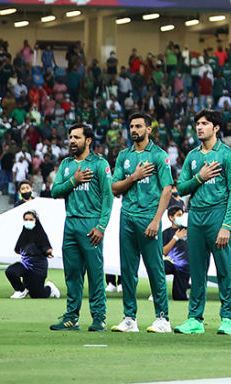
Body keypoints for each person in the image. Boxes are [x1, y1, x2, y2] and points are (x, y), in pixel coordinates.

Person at [174, 109, 231, 335]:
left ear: (216, 127)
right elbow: (181, 187)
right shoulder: (192, 157)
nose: (199, 127)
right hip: (196, 217)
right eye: (197, 124)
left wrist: (227, 225)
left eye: (204, 123)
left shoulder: (227, 155)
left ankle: (229, 318)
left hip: (217, 215)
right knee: (198, 271)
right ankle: (195, 319)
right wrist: (199, 177)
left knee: (224, 269)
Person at [110, 112, 174, 333]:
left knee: (155, 269)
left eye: (138, 126)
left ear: (149, 129)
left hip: (149, 218)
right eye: (131, 126)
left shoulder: (159, 155)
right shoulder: (123, 156)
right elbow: (114, 188)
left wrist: (157, 220)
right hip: (126, 216)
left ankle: (163, 319)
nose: (134, 130)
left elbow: (167, 189)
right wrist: (134, 177)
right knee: (127, 270)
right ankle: (130, 319)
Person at [49, 123, 113, 331]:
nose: (72, 141)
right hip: (71, 223)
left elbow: (107, 196)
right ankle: (71, 318)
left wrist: (101, 226)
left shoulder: (99, 163)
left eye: (76, 137)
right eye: (70, 137)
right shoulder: (66, 165)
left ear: (88, 140)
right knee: (72, 274)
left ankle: (99, 317)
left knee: (95, 273)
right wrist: (73, 181)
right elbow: (55, 191)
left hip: (91, 223)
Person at [7, 209, 60, 300]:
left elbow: (48, 249)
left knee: (37, 295)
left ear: (36, 220)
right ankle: (21, 290)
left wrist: (48, 253)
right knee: (11, 271)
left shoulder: (40, 234)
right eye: (26, 220)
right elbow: (17, 249)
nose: (28, 222)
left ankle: (50, 287)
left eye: (31, 220)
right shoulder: (23, 234)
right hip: (25, 264)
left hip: (38, 268)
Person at [162, 206, 190, 301]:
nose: (181, 217)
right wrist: (175, 238)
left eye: (182, 215)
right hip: (170, 263)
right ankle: (157, 292)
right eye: (178, 215)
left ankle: (185, 288)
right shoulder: (165, 233)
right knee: (158, 267)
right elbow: (164, 251)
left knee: (179, 298)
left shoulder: (188, 230)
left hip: (185, 266)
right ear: (171, 217)